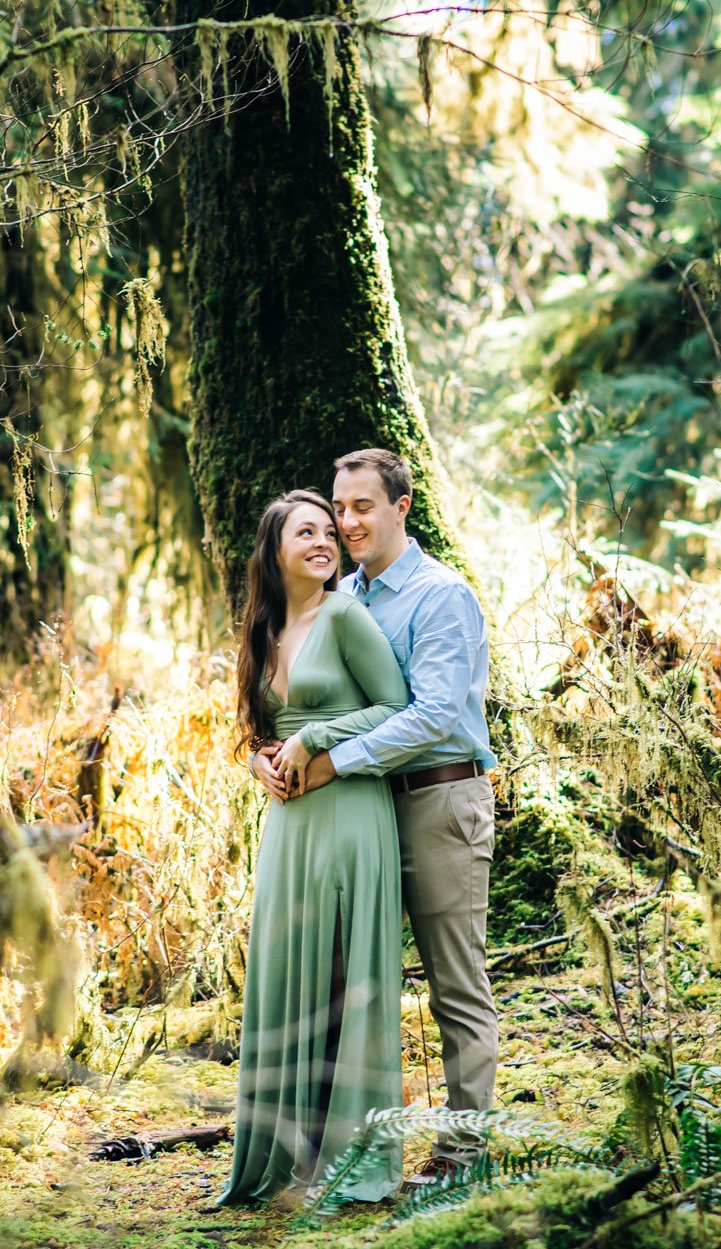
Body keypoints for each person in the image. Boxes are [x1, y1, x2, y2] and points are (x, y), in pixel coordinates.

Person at [253, 448, 498, 1189]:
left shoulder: (439, 594)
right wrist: (275, 756)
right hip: (360, 813)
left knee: (455, 986)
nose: (348, 523)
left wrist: (330, 759)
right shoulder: (341, 592)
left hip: (438, 799)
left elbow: (432, 715)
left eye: (363, 507)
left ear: (401, 507)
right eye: (339, 509)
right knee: (353, 979)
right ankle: (334, 1144)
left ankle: (464, 1154)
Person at [216, 489, 412, 1207]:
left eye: (330, 532)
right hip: (288, 824)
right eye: (307, 532)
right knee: (287, 970)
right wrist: (262, 761)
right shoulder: (264, 630)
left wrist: (313, 737)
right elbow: (252, 732)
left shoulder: (345, 614)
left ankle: (352, 1155)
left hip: (351, 811)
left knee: (341, 974)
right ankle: (286, 1152)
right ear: (274, 551)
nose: (325, 541)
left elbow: (395, 706)